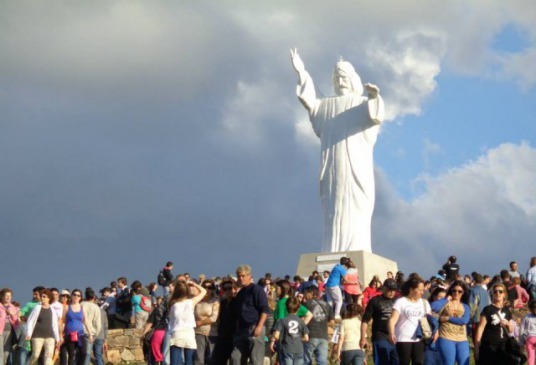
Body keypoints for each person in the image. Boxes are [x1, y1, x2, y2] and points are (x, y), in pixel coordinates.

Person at [290, 48, 384, 253]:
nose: (340, 82)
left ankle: (358, 248)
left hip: (355, 166)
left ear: (352, 79)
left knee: (357, 205)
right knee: (334, 208)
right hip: (333, 166)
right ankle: (331, 249)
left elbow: (375, 116)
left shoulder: (361, 103)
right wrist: (302, 72)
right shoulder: (326, 105)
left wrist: (374, 96)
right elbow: (310, 100)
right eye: (336, 78)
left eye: (344, 77)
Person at [231, 265, 269, 365]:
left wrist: (259, 326)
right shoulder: (240, 293)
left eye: (243, 276)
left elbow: (265, 309)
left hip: (254, 326)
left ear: (249, 276)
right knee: (236, 358)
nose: (241, 278)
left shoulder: (256, 289)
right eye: (239, 276)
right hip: (241, 329)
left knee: (255, 360)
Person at [388, 277, 430, 365]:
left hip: (419, 338)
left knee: (418, 362)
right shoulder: (401, 302)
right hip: (403, 339)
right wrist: (391, 333)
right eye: (420, 290)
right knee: (404, 362)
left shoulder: (424, 303)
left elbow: (430, 319)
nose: (422, 292)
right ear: (411, 289)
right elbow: (393, 319)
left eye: (423, 290)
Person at [431, 280, 470, 365]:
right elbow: (433, 307)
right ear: (451, 291)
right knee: (449, 363)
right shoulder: (446, 303)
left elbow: (464, 320)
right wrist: (446, 299)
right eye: (454, 290)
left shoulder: (465, 306)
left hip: (462, 338)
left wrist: (447, 318)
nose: (456, 293)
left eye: (460, 291)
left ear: (463, 292)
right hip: (446, 337)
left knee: (464, 362)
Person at [473, 283, 515, 365]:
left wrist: (507, 323)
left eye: (500, 291)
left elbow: (511, 330)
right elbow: (480, 329)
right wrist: (477, 347)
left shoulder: (507, 310)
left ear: (504, 294)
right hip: (489, 345)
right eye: (495, 291)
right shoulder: (488, 309)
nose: (498, 293)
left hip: (503, 346)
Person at [360, 279, 398, 365]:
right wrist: (363, 338)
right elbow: (365, 320)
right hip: (380, 336)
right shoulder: (375, 301)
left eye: (394, 290)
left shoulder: (397, 302)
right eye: (389, 289)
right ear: (384, 288)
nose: (392, 292)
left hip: (395, 337)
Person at [168, 280, 207, 365]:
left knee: (174, 362)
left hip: (177, 333)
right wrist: (194, 284)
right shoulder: (191, 302)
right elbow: (204, 291)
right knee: (189, 361)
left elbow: (171, 322)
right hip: (189, 333)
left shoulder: (173, 304)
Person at [26, 289, 61, 365]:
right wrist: (29, 333)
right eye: (41, 296)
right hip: (37, 335)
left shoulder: (52, 310)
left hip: (50, 336)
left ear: (49, 298)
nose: (42, 298)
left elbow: (54, 325)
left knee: (48, 356)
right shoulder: (37, 308)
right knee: (35, 355)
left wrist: (57, 338)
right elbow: (30, 321)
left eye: (44, 296)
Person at [271, 297, 309, 365]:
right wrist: (298, 339)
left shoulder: (281, 321)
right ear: (298, 309)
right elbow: (306, 338)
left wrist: (281, 340)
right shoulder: (301, 321)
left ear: (286, 307)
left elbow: (276, 336)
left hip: (286, 349)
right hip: (299, 349)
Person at [60, 288, 93, 365]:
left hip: (80, 334)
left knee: (84, 353)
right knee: (71, 355)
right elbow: (62, 321)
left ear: (80, 297)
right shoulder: (67, 307)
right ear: (71, 296)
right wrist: (61, 334)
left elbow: (85, 321)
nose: (76, 297)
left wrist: (90, 333)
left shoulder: (82, 308)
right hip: (69, 334)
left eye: (78, 295)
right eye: (74, 295)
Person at [302, 286, 333, 365]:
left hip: (310, 335)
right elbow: (332, 321)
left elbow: (301, 319)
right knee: (322, 362)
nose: (304, 295)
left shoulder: (306, 304)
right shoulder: (327, 304)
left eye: (305, 293)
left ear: (311, 293)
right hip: (323, 337)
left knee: (307, 361)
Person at [210, 278, 237, 365]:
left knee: (235, 360)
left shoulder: (238, 301)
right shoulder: (223, 302)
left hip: (235, 336)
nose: (228, 291)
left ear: (234, 289)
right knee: (218, 360)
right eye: (225, 289)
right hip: (223, 335)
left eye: (230, 288)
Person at [194, 280, 220, 365]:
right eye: (205, 287)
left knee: (211, 358)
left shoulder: (215, 300)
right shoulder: (197, 300)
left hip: (212, 333)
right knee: (199, 359)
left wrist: (200, 323)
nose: (207, 289)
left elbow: (214, 318)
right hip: (198, 332)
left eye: (210, 287)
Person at [424, 287, 446, 365]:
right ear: (434, 296)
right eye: (440, 297)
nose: (442, 300)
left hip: (443, 342)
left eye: (444, 298)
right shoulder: (429, 308)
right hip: (429, 343)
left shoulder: (447, 310)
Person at [80, 288, 100, 365]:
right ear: (93, 297)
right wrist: (96, 334)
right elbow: (97, 323)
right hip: (89, 333)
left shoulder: (80, 305)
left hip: (79, 331)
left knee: (78, 355)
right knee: (87, 355)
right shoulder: (95, 307)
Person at [468, 274, 490, 340]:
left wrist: (469, 317)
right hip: (486, 317)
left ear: (474, 281)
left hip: (477, 317)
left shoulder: (473, 291)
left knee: (476, 337)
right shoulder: (486, 292)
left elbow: (472, 306)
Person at [0, 288, 20, 365]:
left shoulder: (13, 307)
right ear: (2, 296)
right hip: (0, 332)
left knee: (6, 353)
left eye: (10, 296)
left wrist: (12, 314)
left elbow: (16, 322)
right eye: (6, 296)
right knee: (0, 352)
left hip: (10, 333)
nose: (8, 298)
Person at [520, 300, 536, 365]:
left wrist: (521, 342)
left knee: (531, 357)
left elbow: (522, 329)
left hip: (529, 339)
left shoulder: (527, 316)